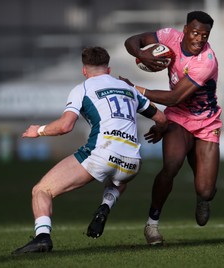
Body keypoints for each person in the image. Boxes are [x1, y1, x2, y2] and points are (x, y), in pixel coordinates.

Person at [12, 46, 168, 254]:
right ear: (109, 70)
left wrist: (38, 130)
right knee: (118, 179)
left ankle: (42, 237)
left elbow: (65, 126)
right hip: (133, 161)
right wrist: (159, 131)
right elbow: (161, 119)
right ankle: (105, 206)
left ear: (84, 71)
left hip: (102, 154)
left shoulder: (82, 89)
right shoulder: (128, 88)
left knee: (42, 190)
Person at [120, 10, 222, 245]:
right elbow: (132, 41)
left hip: (206, 122)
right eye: (195, 33)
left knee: (206, 190)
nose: (199, 39)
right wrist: (140, 54)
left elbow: (175, 97)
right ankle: (152, 225)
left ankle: (203, 198)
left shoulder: (206, 61)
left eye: (204, 35)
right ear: (185, 30)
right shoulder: (168, 37)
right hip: (178, 118)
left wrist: (136, 89)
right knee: (171, 166)